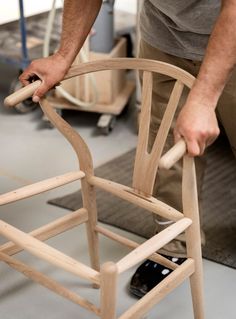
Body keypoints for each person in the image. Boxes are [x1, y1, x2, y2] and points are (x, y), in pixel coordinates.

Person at [19, 0, 236, 297]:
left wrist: (203, 98)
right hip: (167, 37)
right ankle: (176, 242)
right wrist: (63, 55)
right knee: (164, 144)